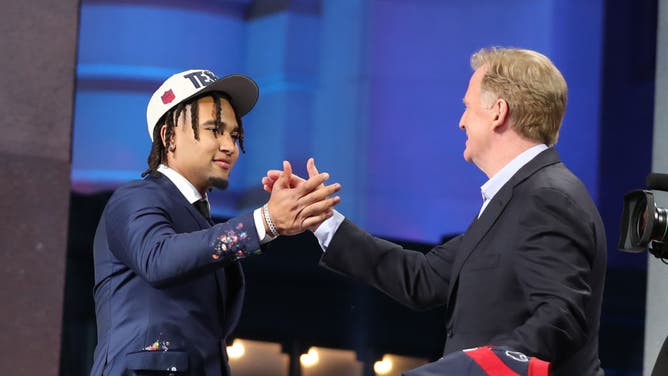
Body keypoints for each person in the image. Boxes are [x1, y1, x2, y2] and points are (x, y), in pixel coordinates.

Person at [263, 48, 606, 375]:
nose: (460, 122)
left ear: (498, 112)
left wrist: (469, 370)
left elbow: (562, 318)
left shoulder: (546, 197)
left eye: (468, 107)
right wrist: (321, 220)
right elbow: (423, 278)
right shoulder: (518, 198)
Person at [89, 69, 340, 376]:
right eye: (214, 130)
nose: (229, 146)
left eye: (234, 135)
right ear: (169, 137)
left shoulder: (199, 218)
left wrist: (279, 220)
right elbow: (158, 257)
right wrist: (265, 221)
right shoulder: (134, 197)